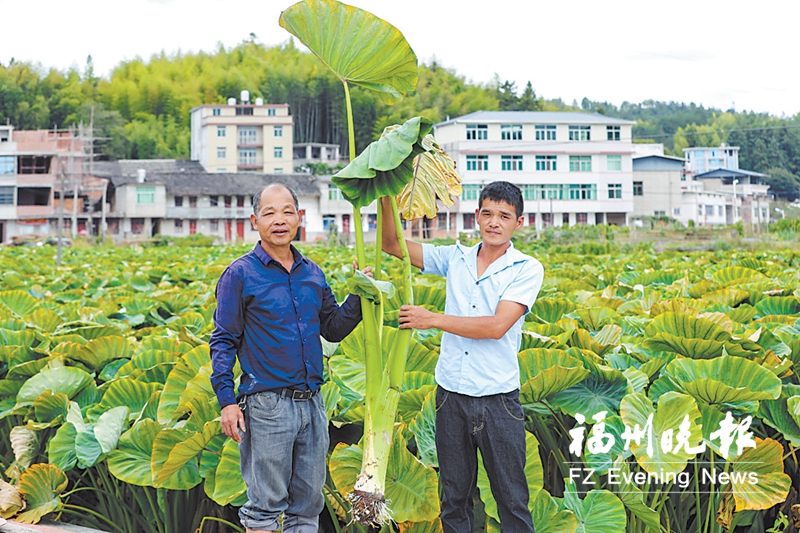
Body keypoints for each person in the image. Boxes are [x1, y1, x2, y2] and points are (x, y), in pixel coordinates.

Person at [381, 181, 544, 533]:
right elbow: (391, 244)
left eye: (504, 216)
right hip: (451, 398)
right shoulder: (455, 258)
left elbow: (497, 326)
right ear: (476, 216)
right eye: (488, 214)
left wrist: (432, 319)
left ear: (519, 223)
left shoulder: (526, 268)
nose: (494, 222)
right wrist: (385, 189)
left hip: (498, 400)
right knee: (454, 500)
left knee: (512, 501)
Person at [210, 183, 369, 533]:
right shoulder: (240, 274)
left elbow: (332, 328)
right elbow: (223, 340)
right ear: (255, 221)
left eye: (287, 212)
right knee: (264, 507)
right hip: (267, 405)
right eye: (269, 213)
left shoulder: (312, 272)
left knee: (308, 506)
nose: (279, 220)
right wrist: (227, 402)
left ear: (300, 218)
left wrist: (359, 294)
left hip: (312, 403)